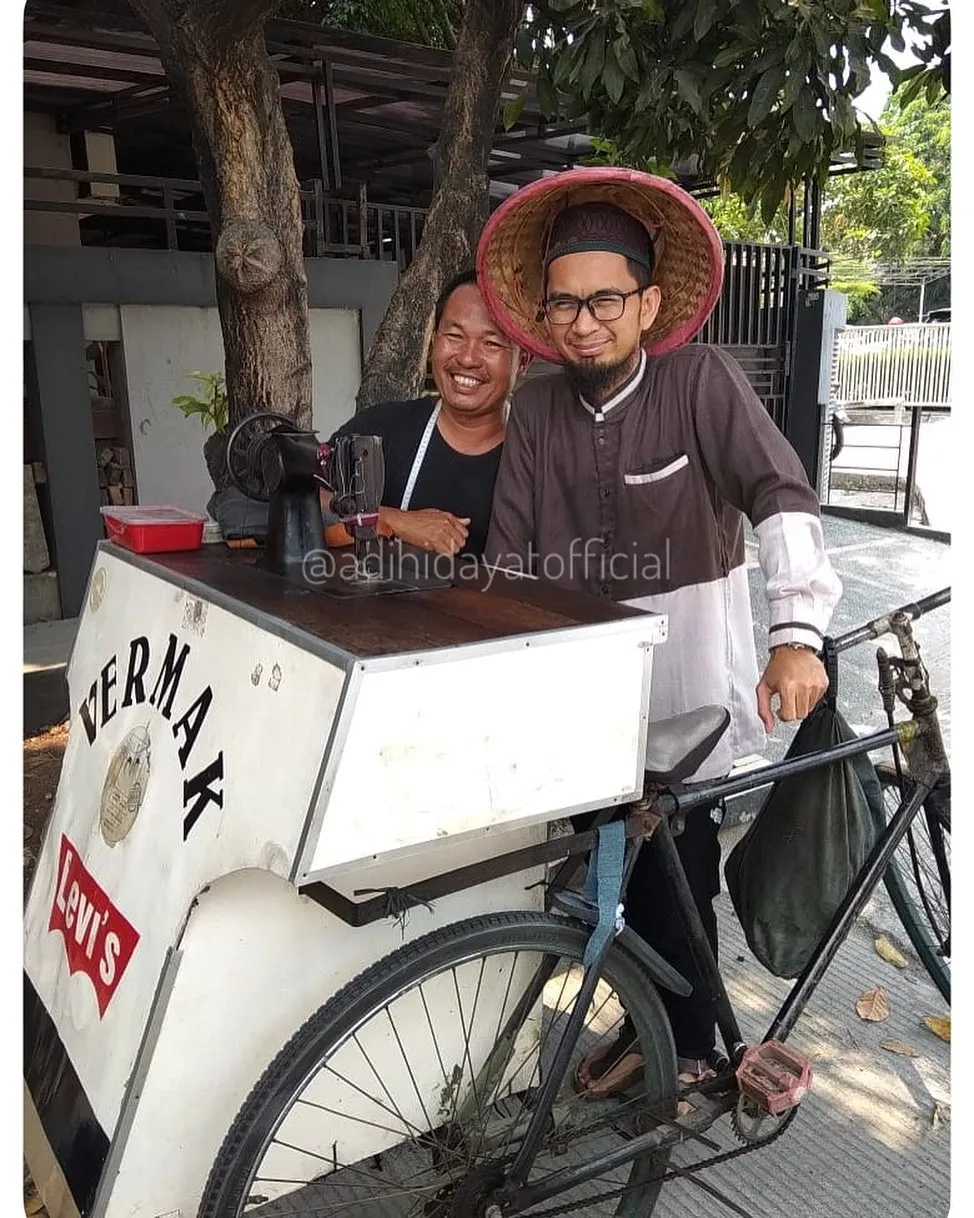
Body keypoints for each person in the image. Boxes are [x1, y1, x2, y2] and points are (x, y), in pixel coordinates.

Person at [477, 168, 842, 1098]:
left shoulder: (701, 382)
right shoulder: (537, 409)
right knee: (610, 874)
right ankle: (655, 1025)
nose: (584, 322)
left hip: (689, 691)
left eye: (605, 299)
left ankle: (687, 1049)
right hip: (579, 689)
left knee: (681, 872)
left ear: (646, 304)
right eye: (565, 303)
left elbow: (780, 493)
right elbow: (510, 560)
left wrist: (796, 633)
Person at [325, 269, 526, 558]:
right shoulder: (383, 429)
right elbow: (301, 496)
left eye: (491, 343)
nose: (468, 358)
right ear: (433, 341)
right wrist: (395, 520)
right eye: (454, 336)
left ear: (523, 360)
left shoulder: (537, 456)